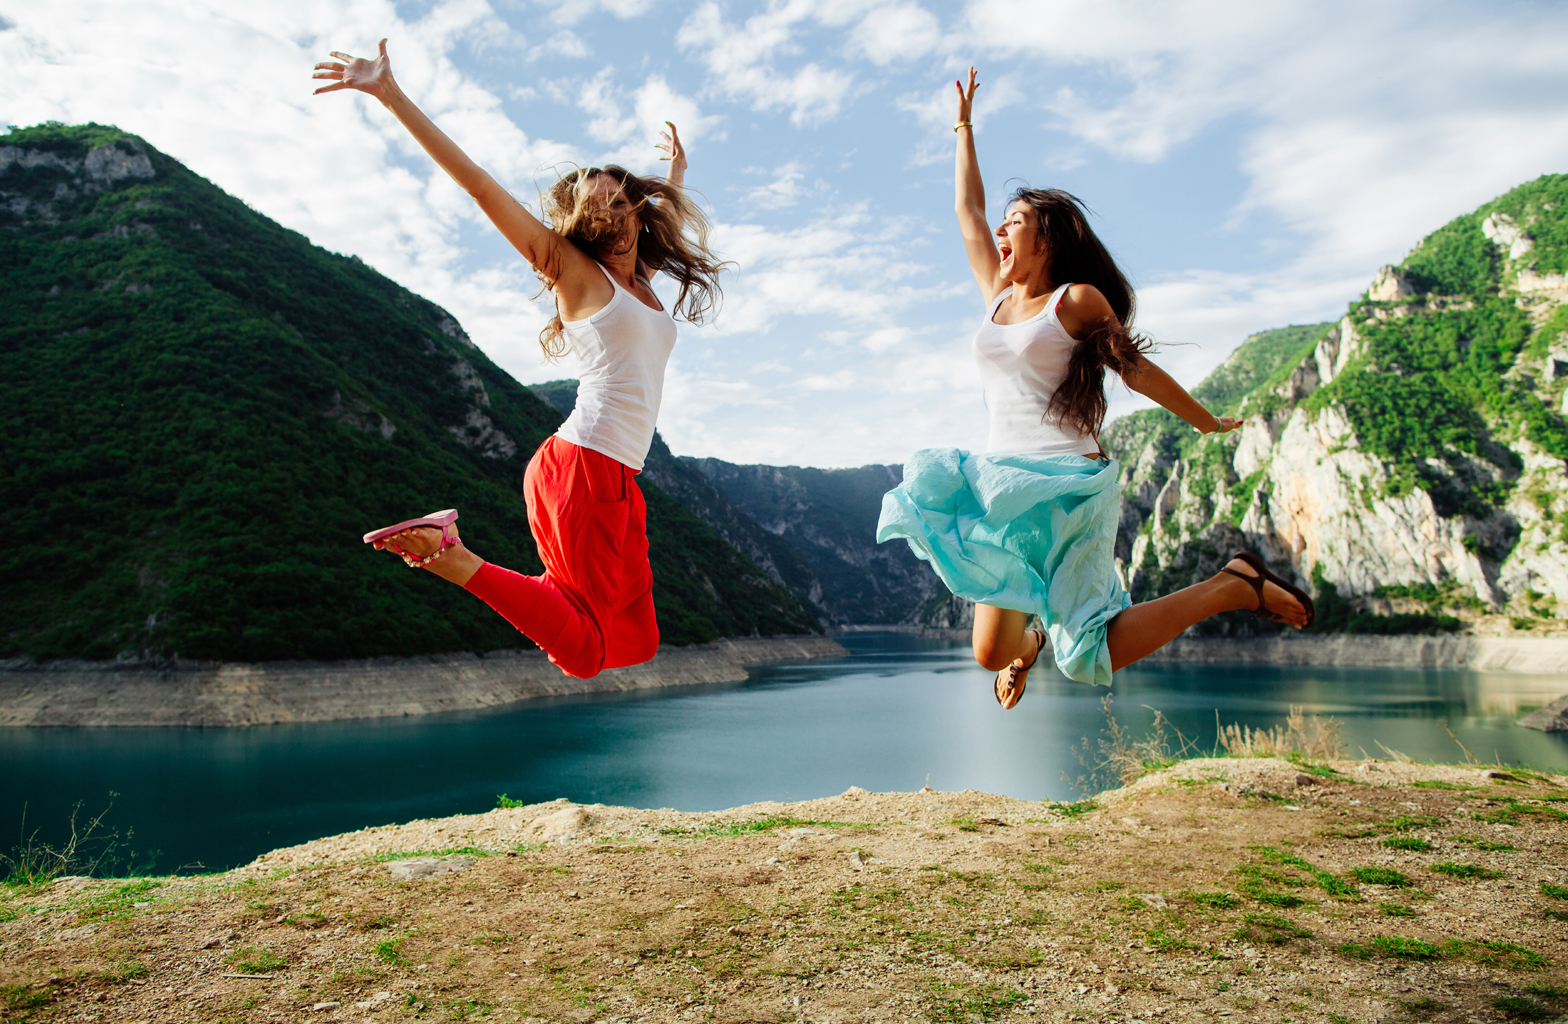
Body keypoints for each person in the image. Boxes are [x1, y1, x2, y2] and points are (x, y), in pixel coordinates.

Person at [877, 68, 1314, 710]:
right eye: (1004, 223)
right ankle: (1030, 646)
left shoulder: (1075, 300)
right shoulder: (996, 295)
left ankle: (1231, 585)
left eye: (1015, 222)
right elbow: (967, 213)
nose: (1000, 232)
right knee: (990, 651)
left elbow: (1134, 369)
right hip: (1002, 483)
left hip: (1067, 485)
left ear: (1047, 238)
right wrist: (963, 127)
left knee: (1087, 650)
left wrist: (1204, 420)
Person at [313, 40, 725, 678]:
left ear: (636, 210)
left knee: (637, 639)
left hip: (619, 478)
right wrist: (390, 94)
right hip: (582, 466)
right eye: (596, 203)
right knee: (583, 653)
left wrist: (675, 171)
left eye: (619, 200)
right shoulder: (576, 274)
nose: (610, 210)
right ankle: (454, 558)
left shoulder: (640, 278)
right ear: (580, 218)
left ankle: (483, 566)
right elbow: (480, 187)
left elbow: (664, 209)